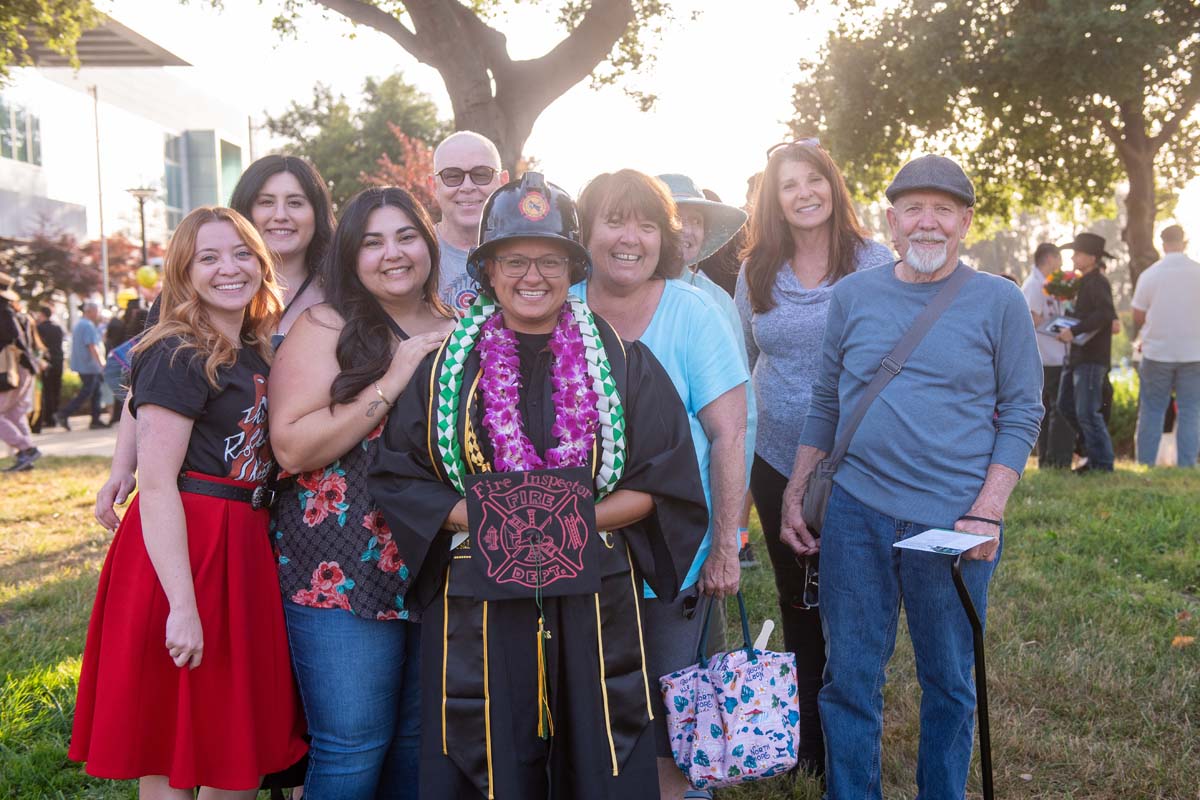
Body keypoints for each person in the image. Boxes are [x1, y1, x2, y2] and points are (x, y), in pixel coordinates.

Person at [368, 172, 709, 800]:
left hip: (594, 600)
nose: (533, 276)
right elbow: (399, 477)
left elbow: (665, 482)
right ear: (488, 270)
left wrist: (556, 522)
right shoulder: (446, 371)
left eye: (550, 260)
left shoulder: (622, 363)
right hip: (478, 602)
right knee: (488, 752)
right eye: (515, 260)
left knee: (599, 754)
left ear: (572, 269)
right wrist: (495, 521)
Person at [780, 155, 1042, 799]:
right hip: (855, 512)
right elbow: (825, 401)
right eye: (914, 209)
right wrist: (796, 490)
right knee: (849, 679)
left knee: (949, 682)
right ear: (891, 222)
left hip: (954, 520)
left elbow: (1023, 411)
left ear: (966, 222)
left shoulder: (1000, 301)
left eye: (943, 210)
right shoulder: (853, 296)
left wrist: (987, 511)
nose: (928, 222)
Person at [70, 206, 308, 795]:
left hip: (243, 543)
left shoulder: (255, 347)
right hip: (185, 546)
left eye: (242, 253)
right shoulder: (179, 350)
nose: (229, 268)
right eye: (209, 257)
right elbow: (157, 483)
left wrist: (119, 462)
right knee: (168, 737)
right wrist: (181, 605)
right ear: (184, 271)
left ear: (261, 263)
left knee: (233, 736)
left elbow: (135, 402)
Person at [268, 187, 454, 798]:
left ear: (429, 245)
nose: (392, 253)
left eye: (406, 236)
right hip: (341, 566)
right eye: (372, 242)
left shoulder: (461, 328)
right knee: (352, 747)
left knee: (416, 744)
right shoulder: (326, 326)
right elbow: (291, 448)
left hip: (437, 562)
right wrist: (393, 380)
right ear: (351, 256)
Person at [575, 169, 747, 800]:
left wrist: (725, 546)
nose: (631, 238)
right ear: (585, 232)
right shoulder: (560, 304)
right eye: (615, 221)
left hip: (676, 557)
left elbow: (730, 435)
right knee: (589, 712)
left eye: (647, 225)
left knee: (674, 719)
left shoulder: (693, 313)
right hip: (574, 555)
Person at [734, 139, 893, 775]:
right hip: (774, 458)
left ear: (833, 185)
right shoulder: (756, 270)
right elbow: (744, 362)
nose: (804, 193)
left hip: (859, 459)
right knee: (798, 597)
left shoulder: (873, 263)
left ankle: (854, 731)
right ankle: (811, 746)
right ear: (773, 201)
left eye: (814, 180)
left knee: (852, 603)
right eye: (789, 185)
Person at [95, 155, 336, 532]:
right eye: (266, 201)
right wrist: (123, 467)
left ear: (316, 212)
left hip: (318, 485)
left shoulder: (340, 292)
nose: (280, 215)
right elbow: (149, 388)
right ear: (246, 211)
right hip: (222, 495)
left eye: (295, 202)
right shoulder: (193, 292)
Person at [1132, 224, 1200, 466]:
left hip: (1157, 352)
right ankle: (1187, 464)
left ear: (1162, 244)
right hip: (1194, 353)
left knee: (1152, 410)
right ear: (1184, 242)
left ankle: (1145, 463)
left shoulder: (1150, 274)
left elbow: (1138, 315)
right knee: (1191, 410)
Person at [1055, 232, 1117, 473]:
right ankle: (1091, 452)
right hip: (1077, 355)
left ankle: (1101, 463)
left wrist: (1075, 330)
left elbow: (1105, 314)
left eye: (1078, 254)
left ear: (1092, 258)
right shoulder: (1081, 283)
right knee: (1066, 405)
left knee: (1087, 412)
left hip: (1092, 357)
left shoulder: (1098, 282)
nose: (1073, 258)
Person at [428, 131, 509, 313]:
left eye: (481, 174)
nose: (467, 187)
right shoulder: (414, 255)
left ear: (503, 182)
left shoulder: (527, 250)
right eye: (452, 176)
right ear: (433, 186)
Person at [1021, 242, 1075, 468]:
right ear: (1050, 258)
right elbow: (1032, 318)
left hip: (1056, 356)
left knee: (1055, 410)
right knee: (1055, 410)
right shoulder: (1033, 285)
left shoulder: (1048, 283)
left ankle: (1054, 459)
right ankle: (1052, 460)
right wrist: (1061, 329)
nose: (1061, 265)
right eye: (1059, 259)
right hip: (1045, 358)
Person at [1, 276, 45, 471]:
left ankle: (27, 449)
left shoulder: (4, 311)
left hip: (12, 369)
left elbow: (13, 337)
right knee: (15, 413)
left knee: (10, 413)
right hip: (24, 367)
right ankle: (26, 457)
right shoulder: (18, 313)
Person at [56, 300, 106, 430]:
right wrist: (101, 362)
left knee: (96, 392)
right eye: (96, 311)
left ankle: (95, 419)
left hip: (85, 365)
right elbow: (92, 346)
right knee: (87, 392)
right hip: (89, 366)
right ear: (90, 311)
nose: (98, 314)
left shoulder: (80, 324)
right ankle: (64, 413)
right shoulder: (88, 325)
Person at [33, 305, 64, 433]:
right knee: (56, 389)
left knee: (47, 390)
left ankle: (49, 418)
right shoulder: (58, 327)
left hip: (47, 361)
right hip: (58, 360)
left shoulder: (39, 328)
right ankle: (56, 415)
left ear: (42, 314)